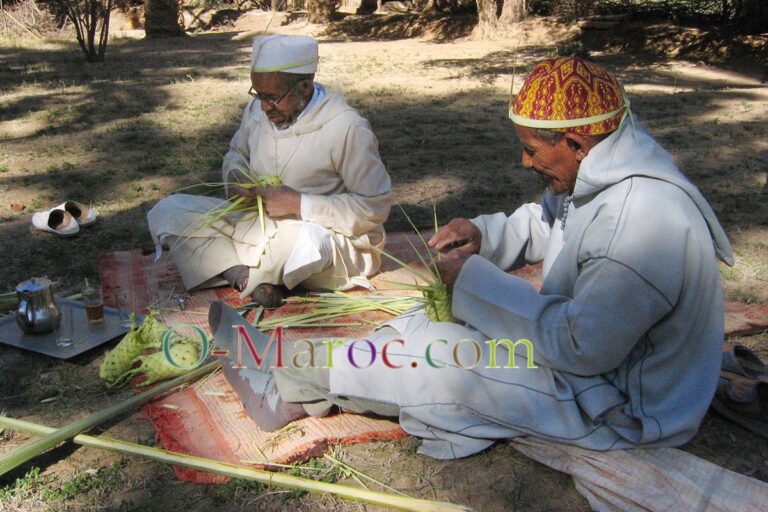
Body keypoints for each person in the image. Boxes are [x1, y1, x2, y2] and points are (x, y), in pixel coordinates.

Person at [210, 56, 733, 459]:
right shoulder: (604, 164)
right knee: (430, 320)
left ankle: (291, 388)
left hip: (618, 404)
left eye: (532, 149)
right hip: (591, 363)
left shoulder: (641, 221)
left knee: (447, 360)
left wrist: (473, 283)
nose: (523, 160)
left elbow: (581, 348)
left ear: (576, 141)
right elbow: (551, 221)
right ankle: (311, 367)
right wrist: (483, 235)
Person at [147, 35, 392, 307]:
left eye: (273, 98)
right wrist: (236, 178)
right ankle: (250, 278)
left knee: (305, 241)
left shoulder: (346, 127)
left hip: (325, 237)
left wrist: (300, 204)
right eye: (259, 95)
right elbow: (236, 154)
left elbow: (374, 206)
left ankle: (244, 271)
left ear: (305, 86)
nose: (264, 107)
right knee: (173, 210)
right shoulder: (257, 111)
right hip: (259, 226)